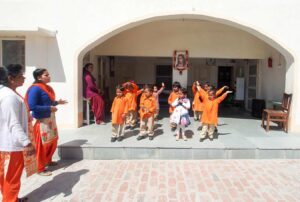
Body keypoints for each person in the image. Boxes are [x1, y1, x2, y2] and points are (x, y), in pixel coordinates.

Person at [0, 65, 35, 202]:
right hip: (13, 144)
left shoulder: (6, 93)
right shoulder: (9, 96)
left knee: (6, 175)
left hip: (5, 141)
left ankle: (10, 198)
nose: (24, 78)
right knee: (12, 177)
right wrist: (26, 142)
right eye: (21, 75)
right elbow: (13, 122)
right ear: (11, 78)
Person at [25, 68, 67, 176]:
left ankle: (48, 160)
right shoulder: (35, 89)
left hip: (50, 120)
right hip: (42, 121)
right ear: (39, 77)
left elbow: (49, 102)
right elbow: (32, 106)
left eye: (48, 74)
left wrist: (58, 102)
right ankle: (40, 168)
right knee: (42, 145)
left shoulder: (46, 88)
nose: (49, 76)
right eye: (46, 75)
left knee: (52, 141)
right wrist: (49, 109)